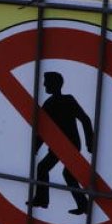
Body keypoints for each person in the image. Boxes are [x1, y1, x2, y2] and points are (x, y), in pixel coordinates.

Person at [27, 71, 96, 215]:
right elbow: (43, 129)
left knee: (64, 173)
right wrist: (36, 147)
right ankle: (43, 200)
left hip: (70, 145)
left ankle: (82, 206)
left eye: (47, 82)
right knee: (45, 168)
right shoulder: (49, 103)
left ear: (54, 84)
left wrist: (90, 143)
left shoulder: (67, 100)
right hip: (58, 146)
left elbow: (85, 119)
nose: (44, 84)